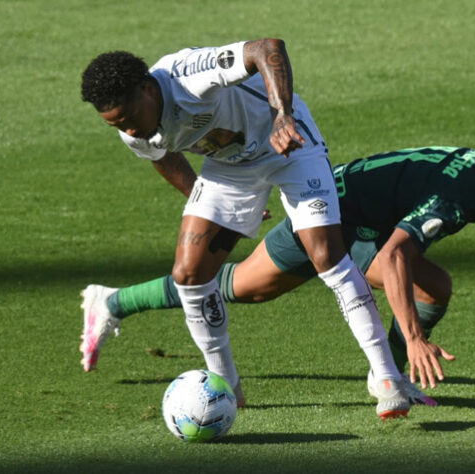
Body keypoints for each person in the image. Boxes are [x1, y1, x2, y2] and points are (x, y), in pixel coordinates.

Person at [81, 146, 475, 407]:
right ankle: (111, 302)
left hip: (364, 218)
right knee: (240, 287)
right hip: (329, 210)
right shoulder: (456, 201)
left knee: (434, 286)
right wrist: (417, 335)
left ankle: (390, 379)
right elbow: (398, 253)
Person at [79, 39, 431, 419]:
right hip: (230, 169)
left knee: (327, 256)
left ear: (148, 89)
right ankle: (226, 388)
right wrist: (197, 195)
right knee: (190, 274)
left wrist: (282, 114)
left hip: (289, 146)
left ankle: (387, 379)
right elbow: (162, 155)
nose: (128, 128)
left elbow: (267, 48)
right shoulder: (132, 130)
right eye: (116, 124)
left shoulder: (187, 75)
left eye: (129, 116)